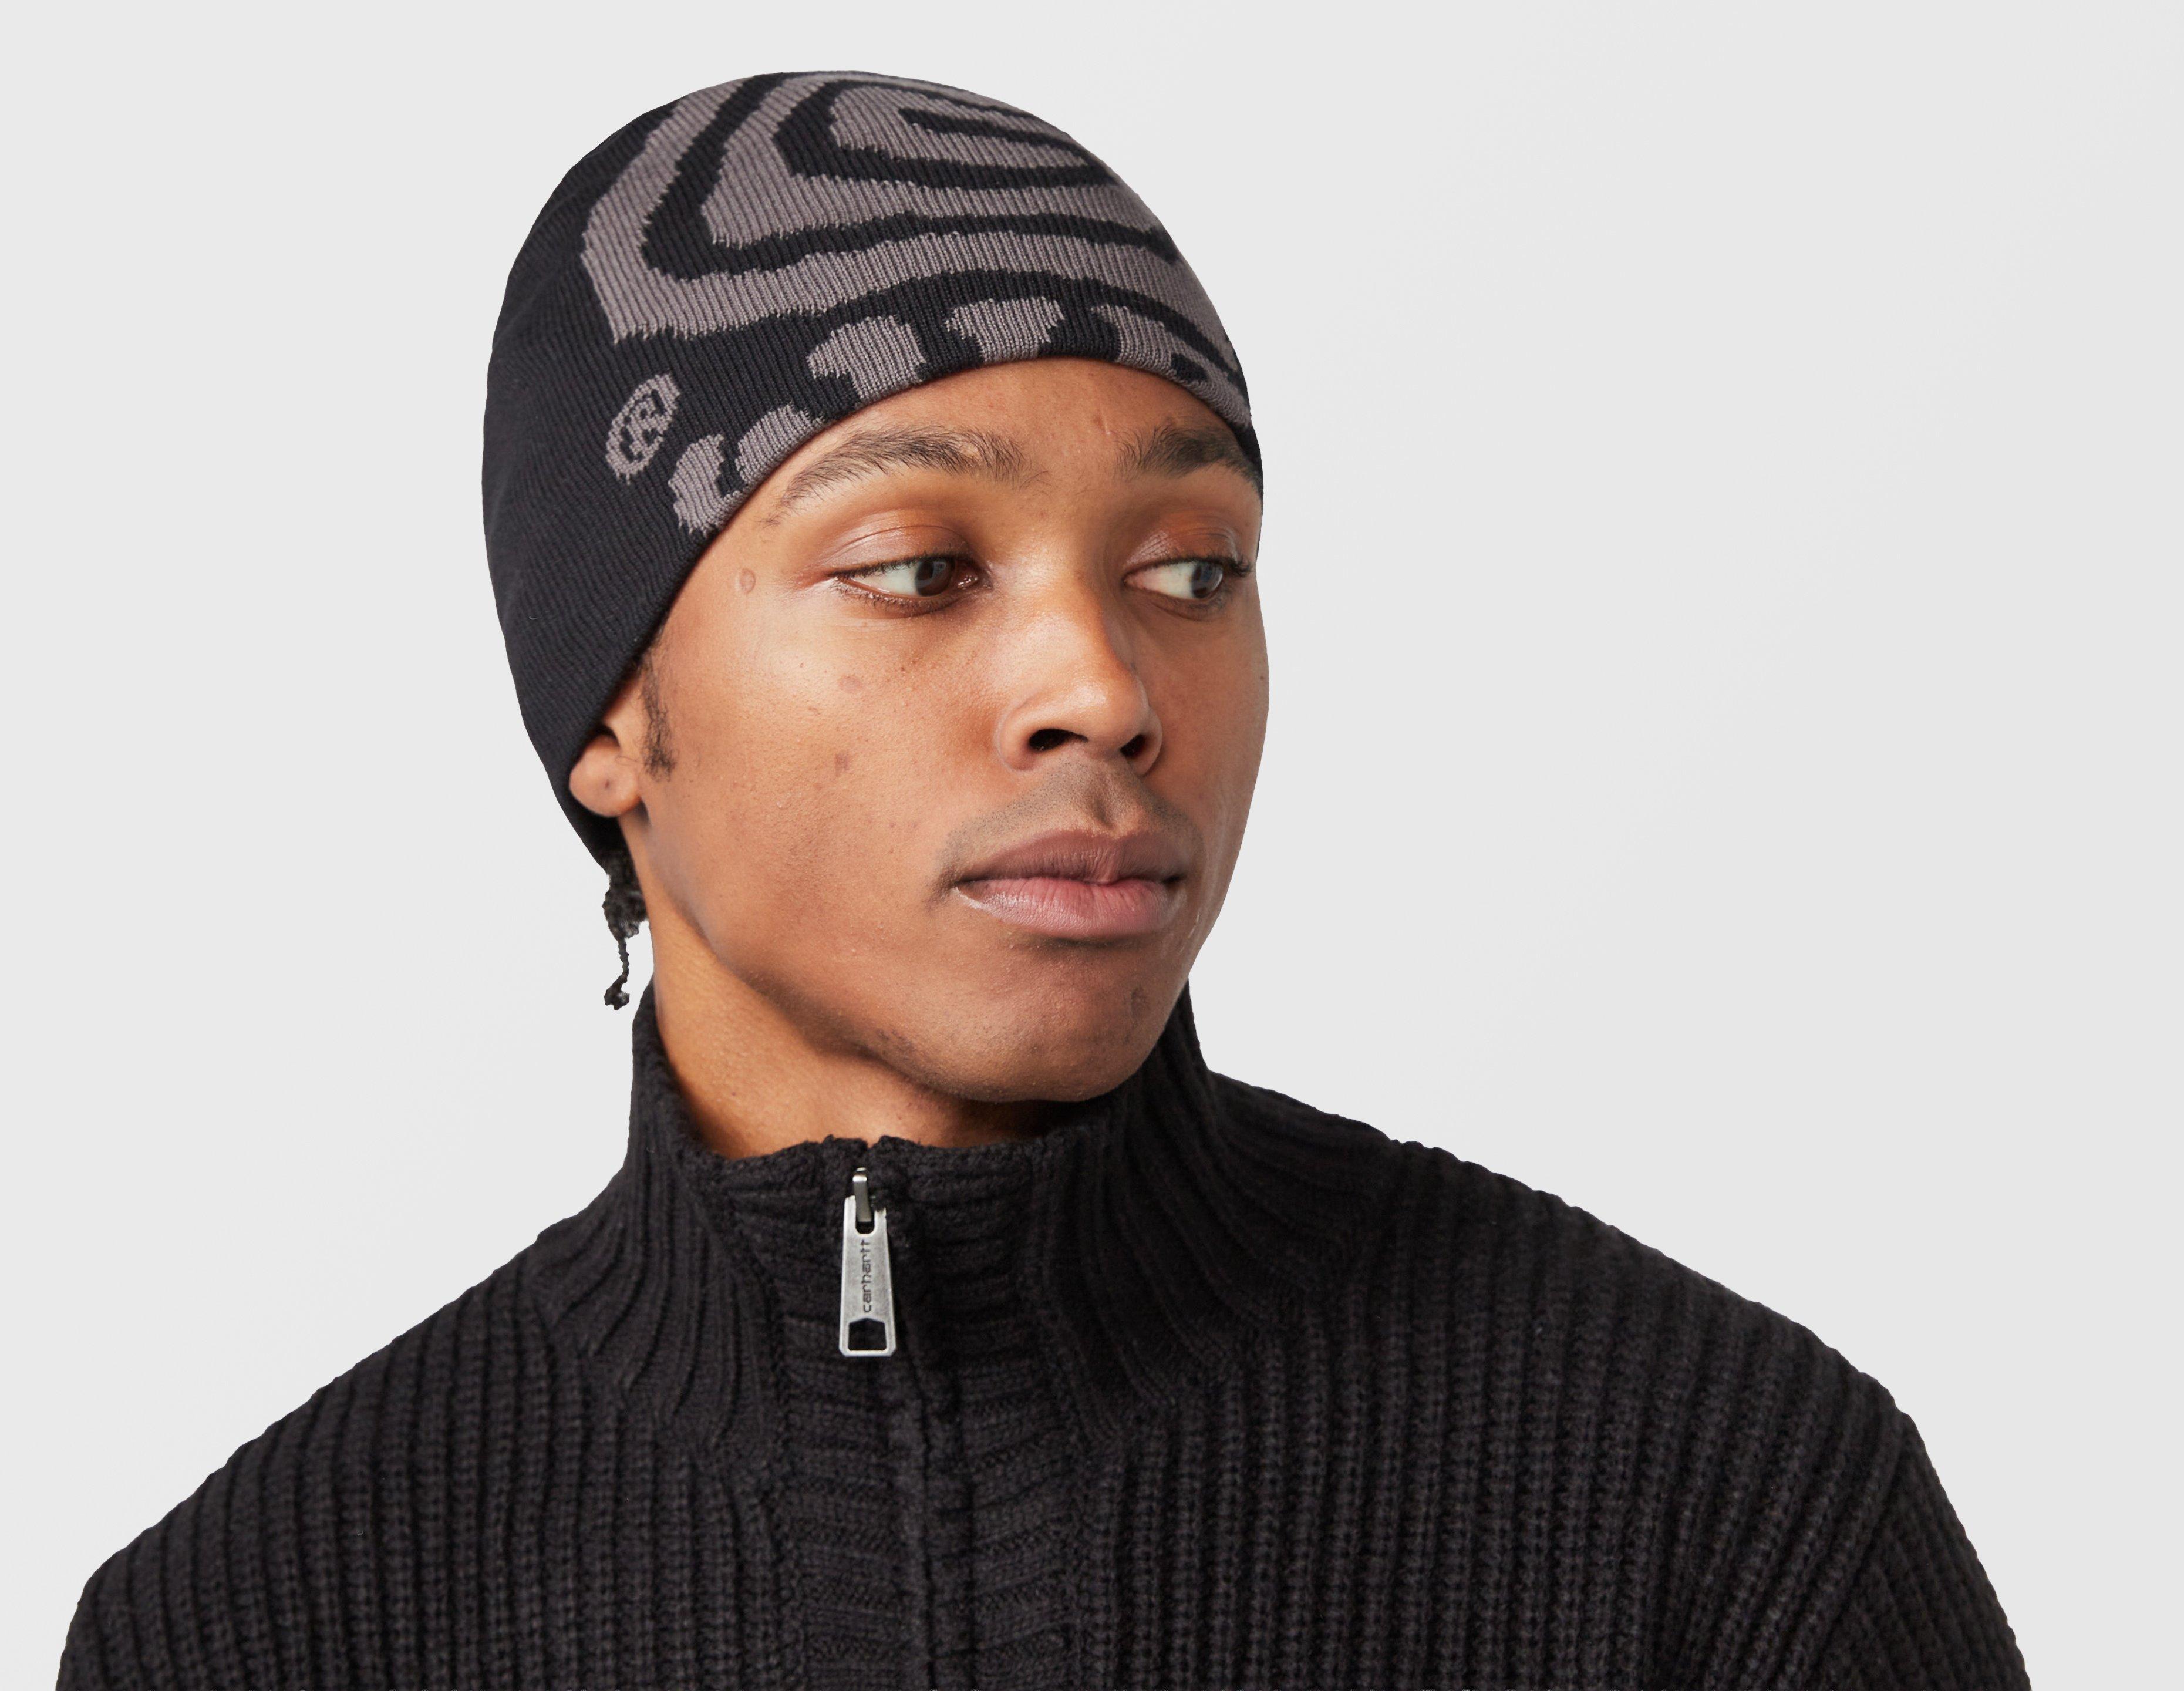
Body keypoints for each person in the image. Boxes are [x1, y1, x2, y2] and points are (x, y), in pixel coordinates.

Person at [58, 71, 2029, 1690]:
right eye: (921, 569)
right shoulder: (254, 1625)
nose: (1106, 686)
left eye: (1193, 570)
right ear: (614, 713)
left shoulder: (1723, 1505)